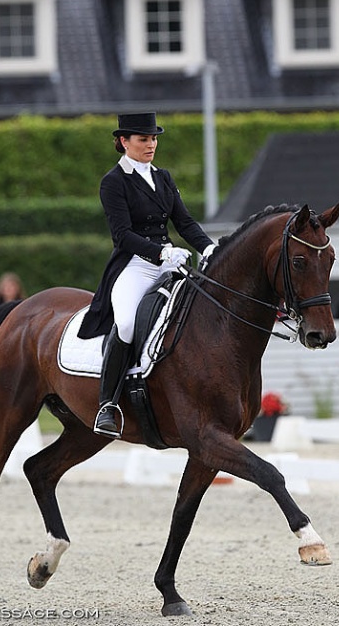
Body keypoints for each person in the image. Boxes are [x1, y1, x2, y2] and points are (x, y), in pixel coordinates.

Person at [78, 112, 216, 439]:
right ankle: (107, 404)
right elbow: (122, 235)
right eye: (144, 139)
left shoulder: (163, 177)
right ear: (124, 142)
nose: (151, 144)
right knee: (126, 323)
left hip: (170, 262)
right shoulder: (113, 182)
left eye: (154, 138)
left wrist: (208, 248)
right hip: (135, 265)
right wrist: (160, 252)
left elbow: (184, 223)